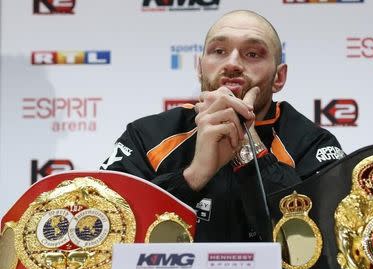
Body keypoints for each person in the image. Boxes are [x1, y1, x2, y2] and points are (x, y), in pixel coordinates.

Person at [101, 10, 344, 242]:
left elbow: (325, 243)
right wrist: (193, 176)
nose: (233, 63)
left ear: (278, 78)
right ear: (199, 68)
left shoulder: (313, 144)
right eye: (219, 51)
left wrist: (250, 152)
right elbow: (107, 231)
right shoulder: (146, 136)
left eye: (252, 54)